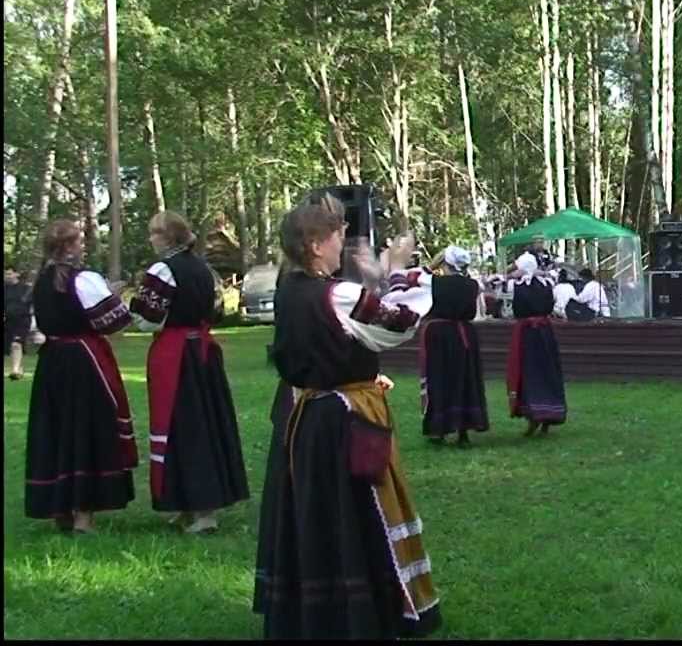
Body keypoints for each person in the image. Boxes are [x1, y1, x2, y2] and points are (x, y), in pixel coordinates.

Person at [252, 198, 442, 639]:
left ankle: (318, 616)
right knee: (358, 517)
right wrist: (397, 270)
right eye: (336, 234)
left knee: (320, 517)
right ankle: (362, 615)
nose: (342, 242)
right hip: (342, 422)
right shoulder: (335, 295)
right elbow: (400, 321)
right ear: (316, 245)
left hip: (307, 422)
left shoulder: (291, 288)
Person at [129, 211, 249, 534]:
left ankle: (201, 510)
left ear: (168, 237)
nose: (151, 239)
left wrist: (131, 306)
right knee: (205, 423)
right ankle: (188, 505)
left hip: (176, 355)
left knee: (183, 427)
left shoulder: (162, 270)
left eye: (154, 233)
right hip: (203, 354)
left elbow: (148, 318)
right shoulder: (203, 268)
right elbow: (218, 310)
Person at [24, 220, 138, 534]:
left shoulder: (41, 280)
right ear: (70, 246)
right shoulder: (84, 279)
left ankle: (61, 509)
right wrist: (113, 294)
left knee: (58, 430)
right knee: (87, 429)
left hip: (52, 362)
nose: (83, 246)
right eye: (79, 241)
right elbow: (116, 321)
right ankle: (85, 516)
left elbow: (38, 325)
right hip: (84, 360)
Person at [419, 245, 489, 448]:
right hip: (465, 334)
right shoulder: (472, 285)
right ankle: (463, 431)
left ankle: (439, 429)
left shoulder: (434, 282)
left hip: (440, 335)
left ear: (445, 263)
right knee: (465, 378)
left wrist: (433, 264)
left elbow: (415, 276)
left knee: (440, 378)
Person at [505, 253, 567, 436]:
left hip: (527, 333)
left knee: (529, 371)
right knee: (546, 370)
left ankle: (534, 414)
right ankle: (546, 415)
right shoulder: (547, 284)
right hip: (544, 332)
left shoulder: (517, 285)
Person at [6, 268, 33, 380]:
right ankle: (18, 367)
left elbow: (32, 304)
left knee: (16, 344)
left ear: (16, 274)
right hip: (8, 321)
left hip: (22, 321)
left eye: (9, 273)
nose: (7, 276)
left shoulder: (25, 288)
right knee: (11, 346)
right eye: (6, 274)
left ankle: (15, 370)